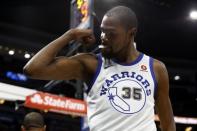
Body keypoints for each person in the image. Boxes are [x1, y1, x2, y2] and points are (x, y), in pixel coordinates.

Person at [23, 6, 176, 131]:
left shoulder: (156, 68)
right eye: (103, 30)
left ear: (131, 33)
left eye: (111, 34)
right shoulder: (91, 64)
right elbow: (33, 69)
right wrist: (69, 35)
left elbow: (168, 124)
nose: (104, 37)